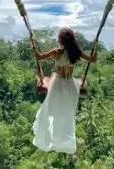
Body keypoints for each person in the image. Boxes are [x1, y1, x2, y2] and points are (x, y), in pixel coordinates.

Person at [31, 28, 97, 156]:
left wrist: (33, 45)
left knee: (50, 112)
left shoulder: (57, 52)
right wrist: (96, 45)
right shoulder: (76, 52)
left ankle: (52, 137)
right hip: (71, 85)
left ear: (61, 40)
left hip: (57, 85)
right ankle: (62, 140)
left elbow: (39, 57)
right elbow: (93, 59)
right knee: (67, 114)